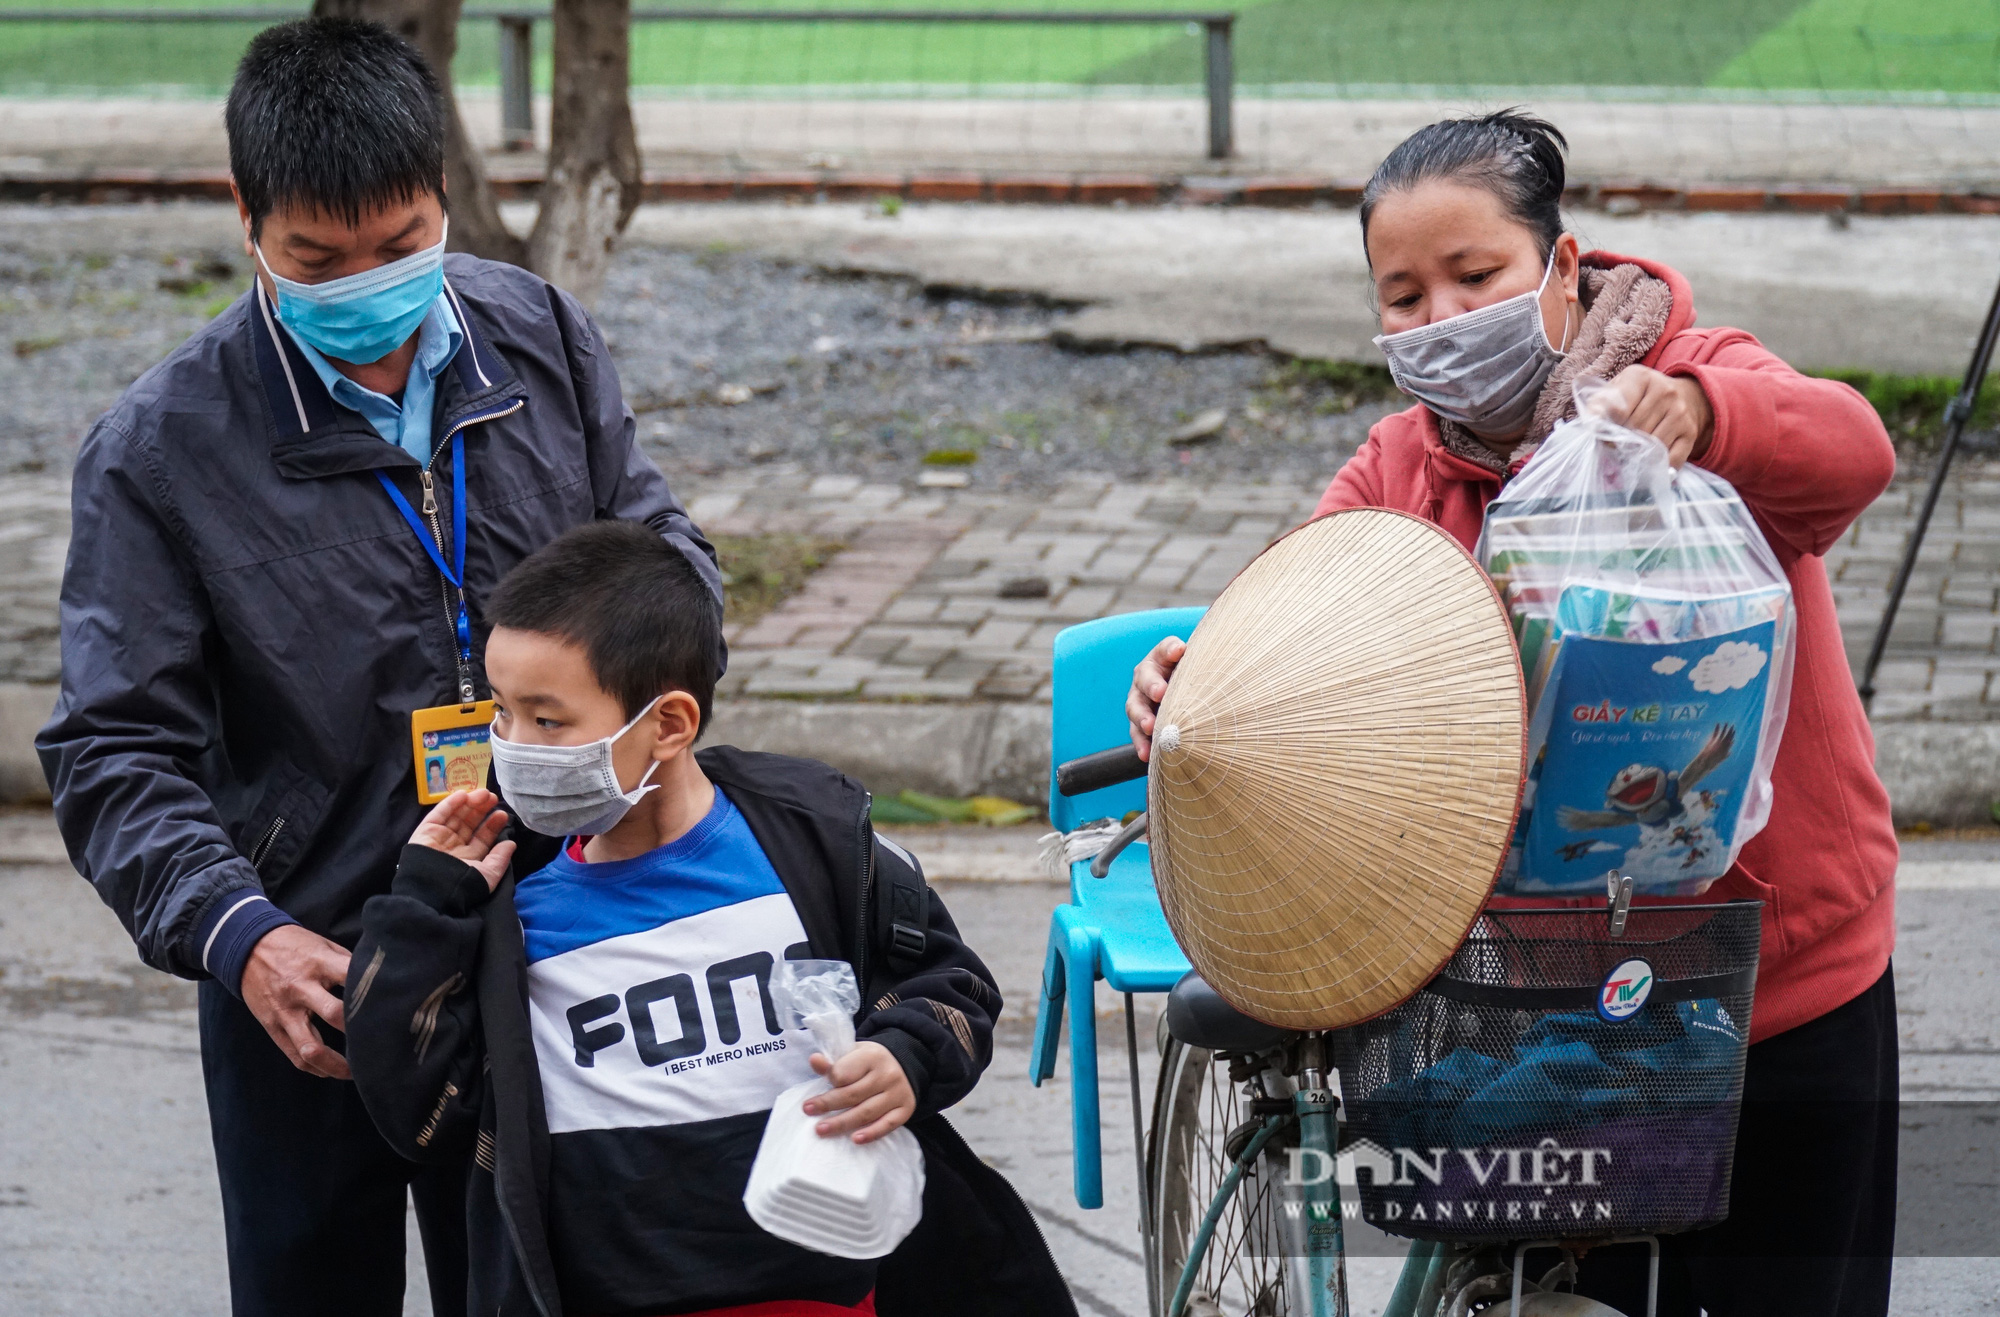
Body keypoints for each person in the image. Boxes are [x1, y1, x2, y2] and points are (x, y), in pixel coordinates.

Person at [1126, 112, 1900, 1317]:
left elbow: (1853, 450)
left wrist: (1704, 417)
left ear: (1561, 264)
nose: (1438, 318)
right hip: (1532, 1013)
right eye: (1401, 294)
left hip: (1780, 983)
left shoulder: (1694, 377)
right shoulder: (1395, 478)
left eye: (1473, 276)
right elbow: (1287, 631)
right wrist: (1193, 688)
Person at [35, 19, 721, 1317]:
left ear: (443, 201)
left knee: (550, 1285)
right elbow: (114, 750)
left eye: (402, 247)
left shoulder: (542, 345)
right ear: (246, 219)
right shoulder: (159, 451)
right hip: (312, 979)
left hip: (557, 943)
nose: (367, 288)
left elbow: (659, 550)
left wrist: (666, 672)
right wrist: (243, 938)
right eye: (318, 260)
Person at [344, 521, 1073, 1317]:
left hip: (831, 1293)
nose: (513, 746)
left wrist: (904, 1057)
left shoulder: (812, 841)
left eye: (547, 720)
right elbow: (421, 1109)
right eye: (503, 713)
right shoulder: (509, 905)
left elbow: (950, 984)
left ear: (669, 723)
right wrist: (421, 905)